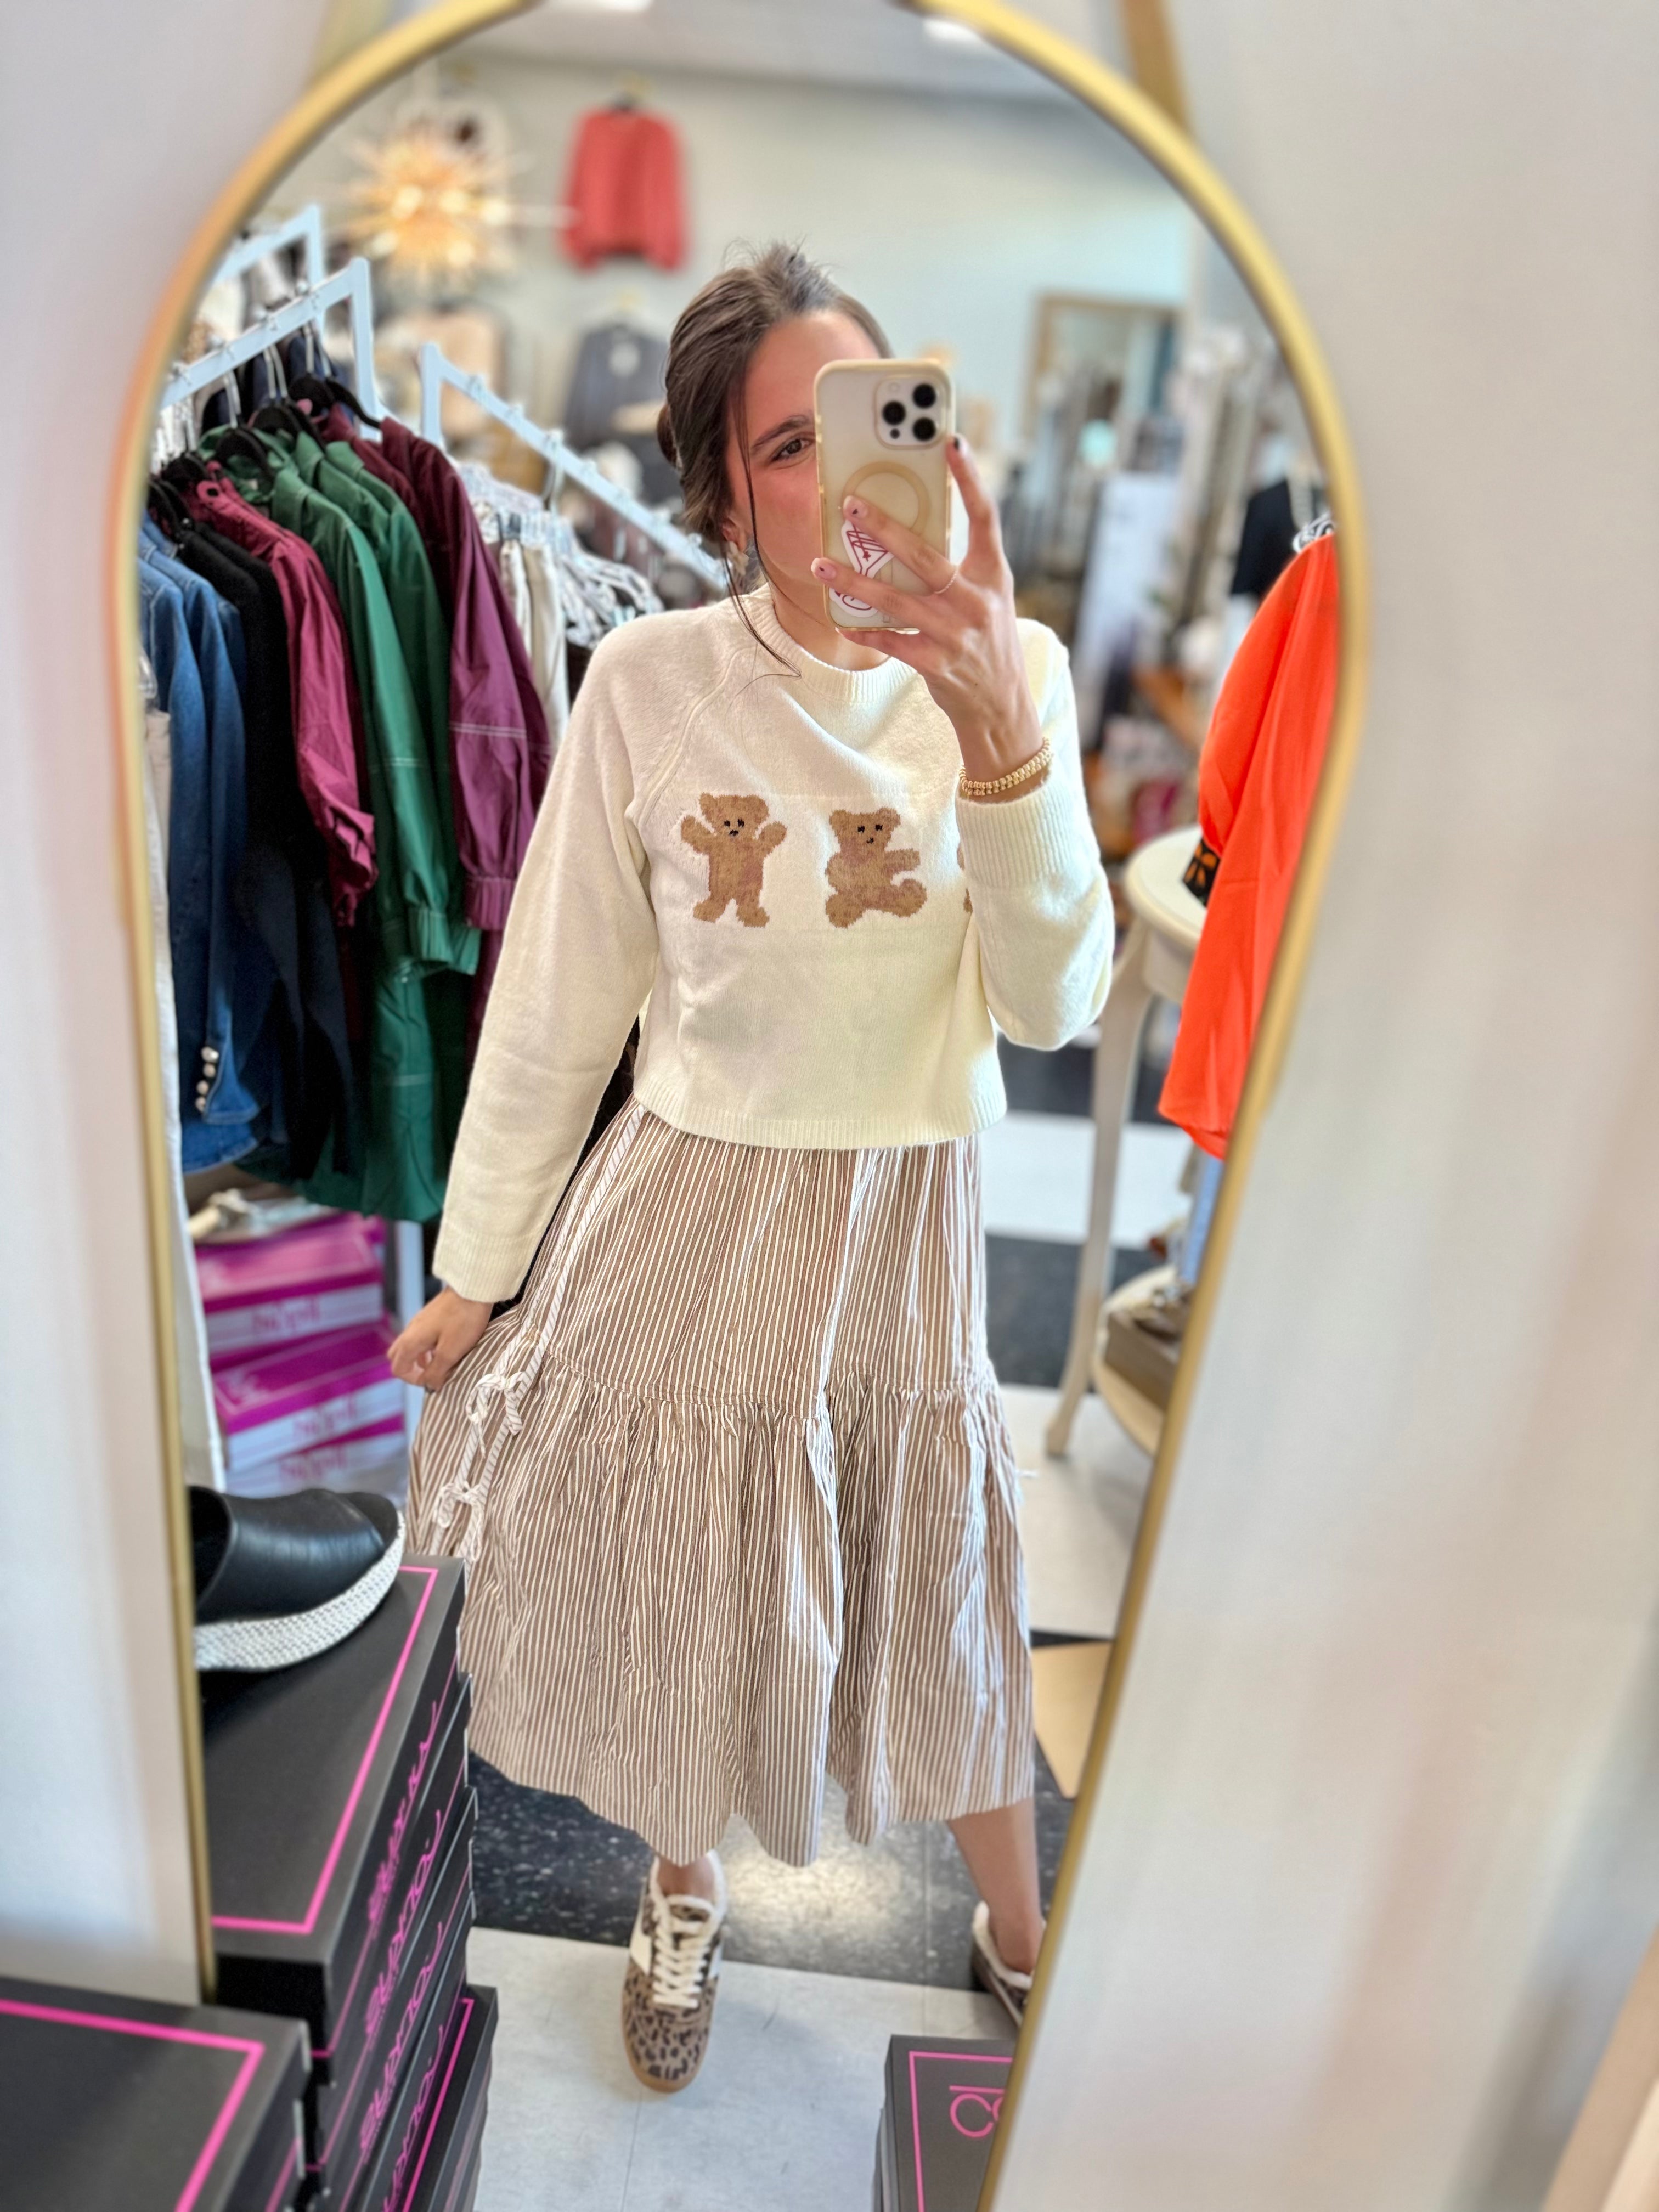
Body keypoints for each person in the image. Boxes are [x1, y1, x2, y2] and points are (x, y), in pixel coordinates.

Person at [391, 242, 1113, 2093]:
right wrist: (477, 1267)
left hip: (906, 1222)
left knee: (940, 1579)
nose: (844, 480)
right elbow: (559, 1003)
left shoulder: (1016, 671)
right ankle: (683, 1885)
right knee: (698, 1579)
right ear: (722, 498)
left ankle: (1024, 1931)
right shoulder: (652, 681)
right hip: (692, 1207)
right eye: (788, 447)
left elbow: (1054, 1006)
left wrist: (1000, 736)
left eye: (875, 424)